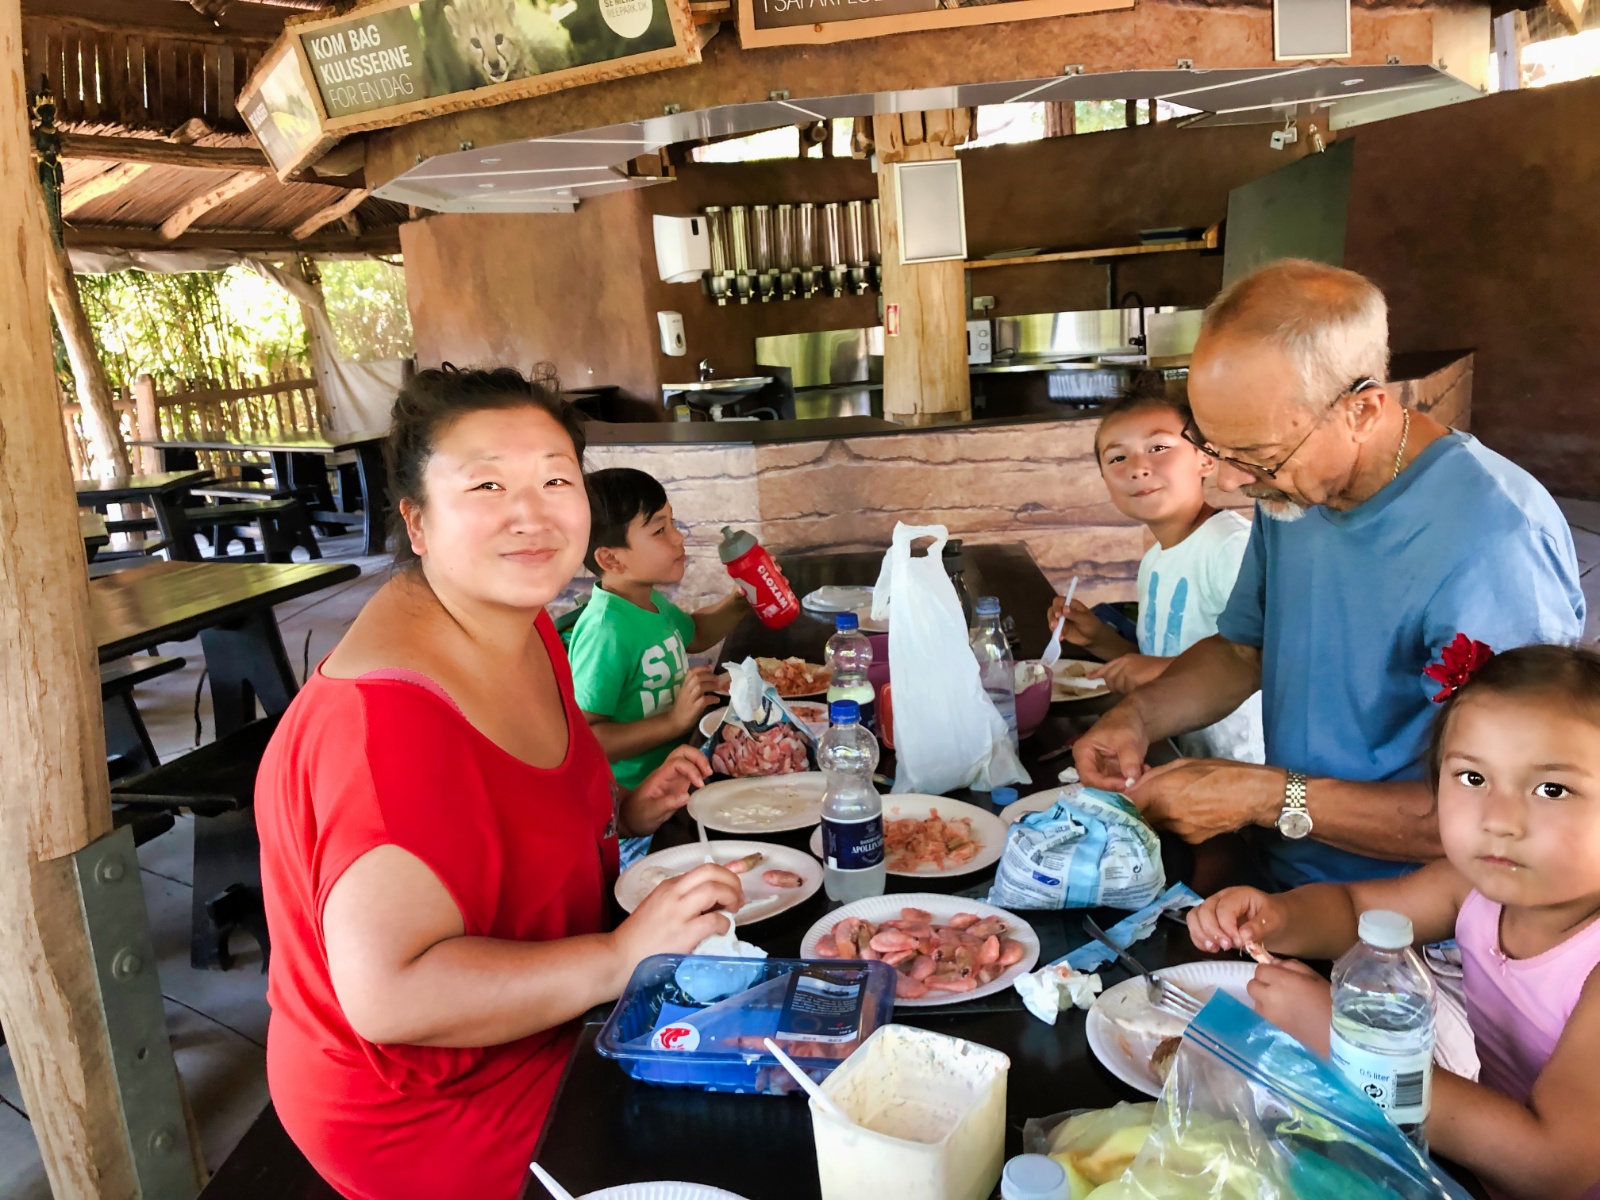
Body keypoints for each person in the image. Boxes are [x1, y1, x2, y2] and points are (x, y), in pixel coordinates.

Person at [254, 367, 745, 1200]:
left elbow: (514, 825)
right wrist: (622, 957)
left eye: (556, 478)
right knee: (728, 1147)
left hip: (550, 1012)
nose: (532, 513)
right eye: (487, 483)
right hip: (432, 1101)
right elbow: (393, 994)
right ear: (417, 518)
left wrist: (628, 808)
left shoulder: (515, 625)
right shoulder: (382, 726)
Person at [1073, 259, 1584, 889]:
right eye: (1215, 449)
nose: (1230, 481)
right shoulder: (1293, 492)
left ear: (1363, 411)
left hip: (1417, 918)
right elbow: (1243, 651)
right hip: (1284, 879)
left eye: (1256, 456)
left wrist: (1270, 797)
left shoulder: (1494, 539)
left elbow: (1507, 816)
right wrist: (1137, 718)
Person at [1187, 642, 1600, 1200]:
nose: (1498, 820)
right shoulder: (1474, 888)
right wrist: (1278, 914)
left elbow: (1552, 1164)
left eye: (1551, 789)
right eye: (1472, 778)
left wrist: (1342, 1047)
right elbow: (1359, 912)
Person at [1047, 379, 1263, 763]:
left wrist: (1158, 670)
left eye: (1159, 448)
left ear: (1206, 459)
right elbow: (1150, 662)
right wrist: (1098, 639)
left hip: (1240, 767)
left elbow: (1269, 663)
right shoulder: (1155, 561)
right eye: (1117, 458)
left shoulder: (1230, 547)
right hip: (1177, 755)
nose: (1138, 468)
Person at [567, 467, 750, 864]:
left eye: (673, 523)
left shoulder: (647, 602)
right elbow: (587, 739)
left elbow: (696, 633)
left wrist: (739, 602)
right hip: (643, 815)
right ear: (611, 558)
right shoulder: (606, 631)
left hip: (682, 772)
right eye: (659, 530)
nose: (678, 537)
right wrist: (673, 722)